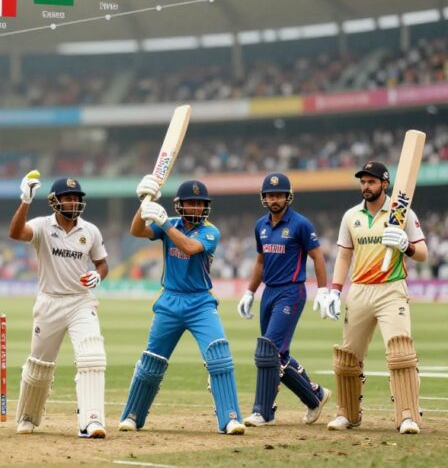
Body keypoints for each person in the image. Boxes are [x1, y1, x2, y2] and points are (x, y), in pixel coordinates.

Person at [118, 177, 244, 435]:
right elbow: (137, 231)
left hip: (200, 303)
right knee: (152, 360)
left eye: (200, 204)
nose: (196, 208)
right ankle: (132, 415)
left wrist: (164, 223)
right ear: (179, 205)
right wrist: (145, 202)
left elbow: (188, 248)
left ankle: (230, 418)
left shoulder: (210, 231)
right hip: (170, 301)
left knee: (219, 356)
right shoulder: (171, 225)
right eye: (191, 203)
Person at [323, 161, 428, 434]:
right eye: (363, 181)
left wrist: (406, 246)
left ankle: (407, 415)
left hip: (391, 289)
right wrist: (335, 289)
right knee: (348, 357)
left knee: (400, 352)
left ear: (384, 183)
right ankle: (347, 413)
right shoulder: (351, 216)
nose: (366, 186)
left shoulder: (401, 213)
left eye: (371, 181)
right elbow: (345, 255)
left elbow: (423, 253)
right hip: (359, 290)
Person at [7, 173, 108, 438]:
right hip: (49, 302)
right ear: (55, 201)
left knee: (92, 355)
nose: (74, 202)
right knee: (40, 364)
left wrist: (98, 275)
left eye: (77, 198)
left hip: (80, 302)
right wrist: (25, 201)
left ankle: (92, 420)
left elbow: (102, 263)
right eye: (68, 198)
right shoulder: (42, 226)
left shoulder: (90, 231)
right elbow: (16, 232)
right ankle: (28, 416)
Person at [238, 172, 331, 427]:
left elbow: (318, 257)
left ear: (288, 197)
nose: (274, 199)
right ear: (263, 198)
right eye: (270, 195)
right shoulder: (261, 226)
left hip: (291, 291)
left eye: (279, 195)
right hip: (269, 292)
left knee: (267, 350)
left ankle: (263, 411)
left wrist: (323, 290)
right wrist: (249, 292)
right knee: (278, 355)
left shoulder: (300, 224)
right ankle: (315, 396)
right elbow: (260, 261)